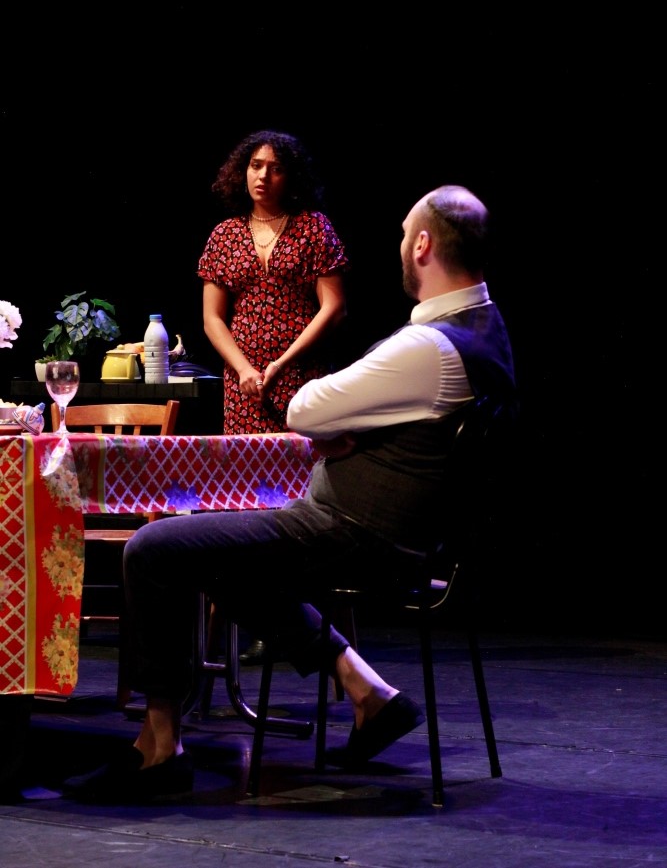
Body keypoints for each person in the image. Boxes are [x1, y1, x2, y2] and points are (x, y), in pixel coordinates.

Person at [63, 184, 517, 803]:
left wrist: (338, 426)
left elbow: (303, 408)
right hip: (409, 538)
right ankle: (367, 691)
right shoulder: (488, 330)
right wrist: (351, 426)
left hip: (356, 534)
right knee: (219, 553)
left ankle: (158, 749)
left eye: (400, 237)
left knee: (153, 548)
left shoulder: (427, 348)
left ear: (421, 245)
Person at [198, 129, 349, 664]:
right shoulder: (225, 235)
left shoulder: (313, 228)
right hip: (244, 390)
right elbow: (213, 317)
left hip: (301, 382)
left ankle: (294, 622)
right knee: (243, 503)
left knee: (297, 503)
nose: (263, 175)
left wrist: (283, 362)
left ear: (292, 176)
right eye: (256, 165)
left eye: (276, 167)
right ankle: (243, 628)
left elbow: (333, 306)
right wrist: (243, 367)